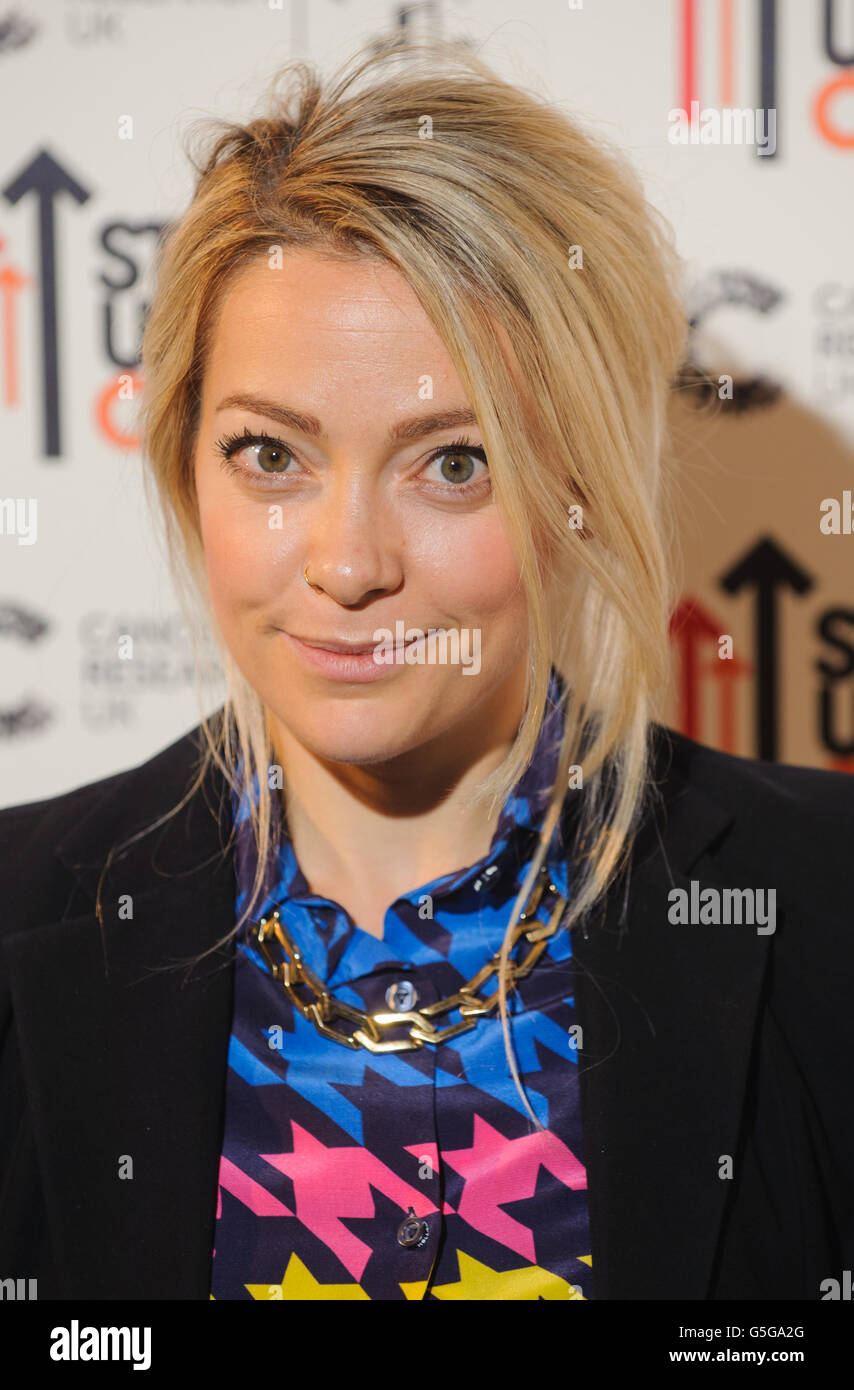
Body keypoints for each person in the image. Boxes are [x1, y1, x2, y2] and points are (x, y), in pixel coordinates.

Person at [1, 37, 853, 1303]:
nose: (347, 566)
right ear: (185, 463)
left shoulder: (826, 904)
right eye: (269, 455)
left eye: (452, 462)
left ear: (576, 486)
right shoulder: (23, 910)